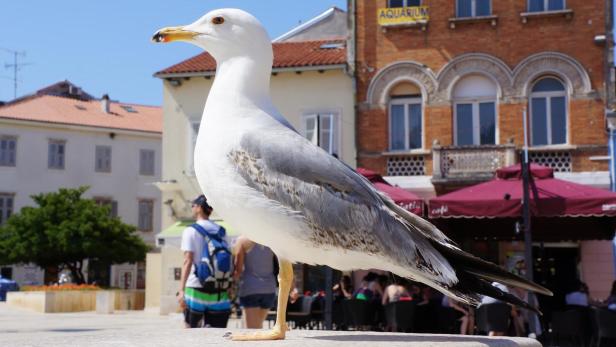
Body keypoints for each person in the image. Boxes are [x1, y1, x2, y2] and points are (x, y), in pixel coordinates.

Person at [177, 195, 231, 328]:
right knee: (217, 335)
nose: (192, 207)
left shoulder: (190, 231)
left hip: (195, 287)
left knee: (191, 332)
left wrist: (181, 290)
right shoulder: (221, 231)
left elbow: (188, 261)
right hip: (219, 289)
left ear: (199, 208)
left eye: (193, 205)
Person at [233, 236, 277, 329]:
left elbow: (238, 270)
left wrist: (231, 286)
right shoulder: (271, 239)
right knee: (258, 326)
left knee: (252, 330)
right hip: (269, 289)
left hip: (250, 289)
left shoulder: (242, 240)